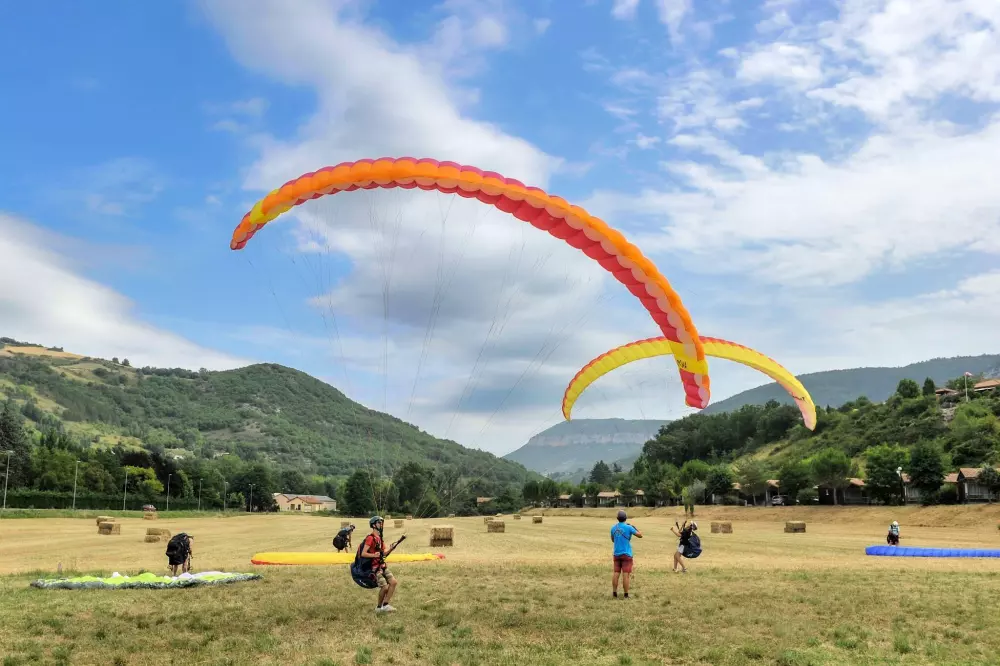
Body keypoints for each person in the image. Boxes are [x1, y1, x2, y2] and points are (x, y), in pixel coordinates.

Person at [360, 516, 402, 613]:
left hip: (382, 566)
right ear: (374, 525)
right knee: (385, 587)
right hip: (375, 568)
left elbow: (383, 554)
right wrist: (374, 555)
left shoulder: (380, 538)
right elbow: (363, 553)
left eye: (381, 523)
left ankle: (386, 604)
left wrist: (391, 549)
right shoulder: (370, 538)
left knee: (393, 582)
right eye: (379, 522)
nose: (381, 524)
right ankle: (379, 608)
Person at [610, 509, 642, 599]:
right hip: (626, 554)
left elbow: (613, 540)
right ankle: (626, 595)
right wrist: (634, 527)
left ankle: (614, 593)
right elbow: (640, 535)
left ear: (617, 518)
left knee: (616, 573)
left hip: (616, 554)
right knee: (626, 574)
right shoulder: (629, 527)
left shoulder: (613, 528)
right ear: (626, 518)